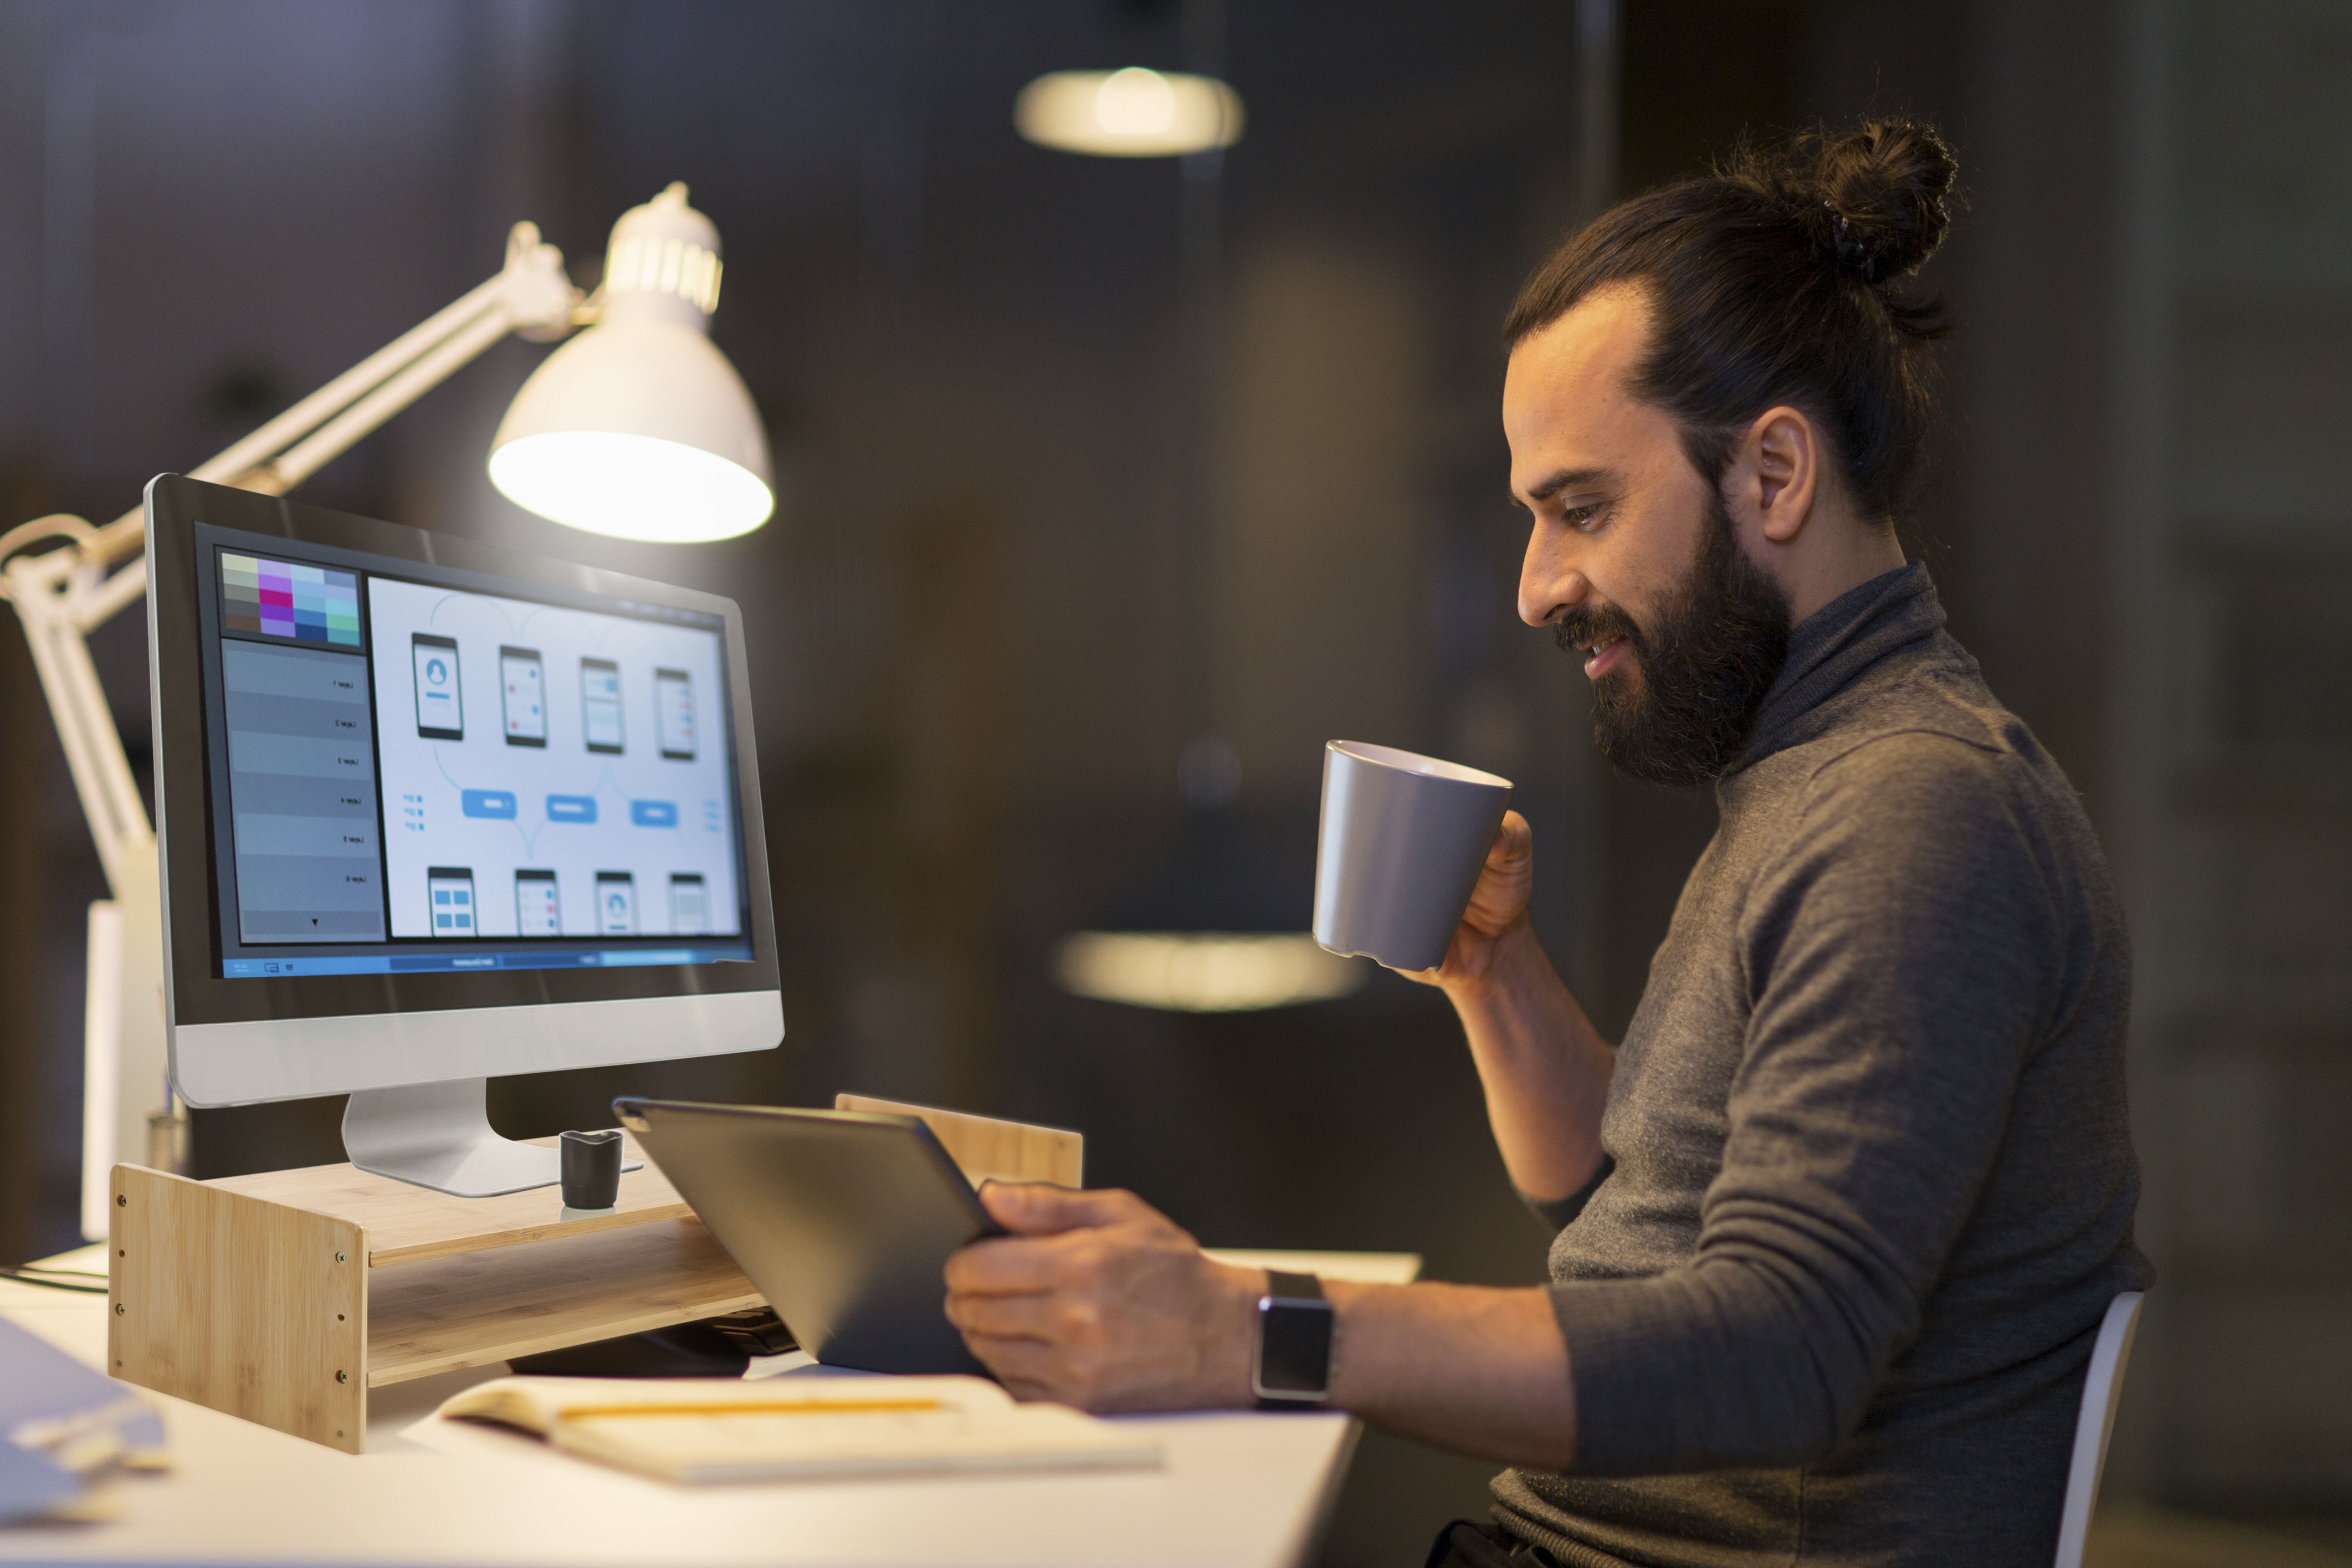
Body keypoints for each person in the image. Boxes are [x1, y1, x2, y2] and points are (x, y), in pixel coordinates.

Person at [942, 118, 2150, 1567]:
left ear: (1773, 476)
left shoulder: (1914, 815)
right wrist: (1492, 975)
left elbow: (1779, 1354)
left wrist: (1242, 1327)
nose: (1534, 589)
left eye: (1581, 508)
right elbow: (1629, 1203)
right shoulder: (1820, 777)